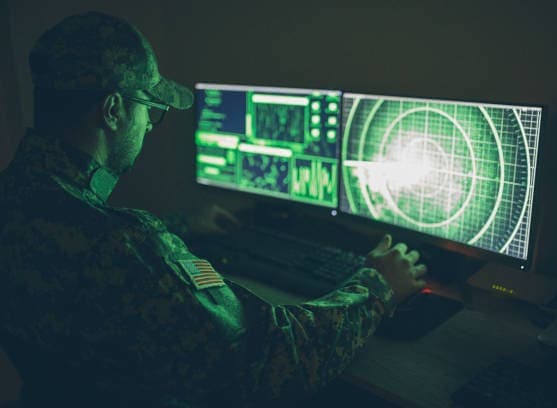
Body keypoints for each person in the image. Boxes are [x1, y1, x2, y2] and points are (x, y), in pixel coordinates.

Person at [0, 11, 427, 407]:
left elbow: (81, 249)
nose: (149, 123)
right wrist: (378, 286)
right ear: (113, 111)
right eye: (150, 109)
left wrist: (182, 226)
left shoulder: (16, 196)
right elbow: (271, 360)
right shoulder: (127, 245)